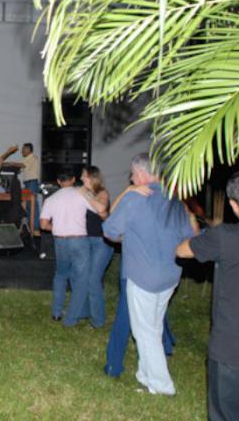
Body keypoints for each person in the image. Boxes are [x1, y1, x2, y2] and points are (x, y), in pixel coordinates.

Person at [102, 153, 196, 395]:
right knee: (153, 327)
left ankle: (162, 385)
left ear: (142, 174)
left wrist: (127, 235)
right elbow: (190, 236)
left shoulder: (134, 199)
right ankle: (144, 375)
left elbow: (110, 230)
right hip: (170, 276)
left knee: (145, 332)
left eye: (133, 175)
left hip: (143, 277)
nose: (132, 180)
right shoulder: (176, 200)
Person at [176, 172, 239, 421]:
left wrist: (201, 228)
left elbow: (182, 250)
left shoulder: (226, 236)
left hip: (233, 348)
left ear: (234, 204)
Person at [39, 172, 106, 326]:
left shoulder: (51, 199)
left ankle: (56, 313)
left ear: (58, 181)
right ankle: (70, 319)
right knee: (81, 280)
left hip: (60, 241)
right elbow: (100, 210)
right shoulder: (81, 195)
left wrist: (58, 227)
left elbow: (43, 225)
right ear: (74, 179)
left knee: (61, 275)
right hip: (79, 240)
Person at [80, 166, 113, 328]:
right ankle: (84, 312)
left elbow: (101, 209)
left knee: (93, 280)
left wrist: (86, 195)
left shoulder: (102, 193)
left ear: (92, 178)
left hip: (101, 242)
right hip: (85, 241)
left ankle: (98, 320)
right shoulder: (82, 193)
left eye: (84, 176)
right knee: (85, 277)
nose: (81, 178)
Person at [16, 143, 41, 228]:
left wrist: (11, 163)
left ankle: (36, 227)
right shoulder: (26, 159)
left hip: (32, 183)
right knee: (28, 205)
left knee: (32, 204)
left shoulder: (33, 158)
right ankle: (31, 226)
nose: (22, 151)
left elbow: (22, 165)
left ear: (29, 149)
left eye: (23, 149)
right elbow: (21, 168)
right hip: (28, 183)